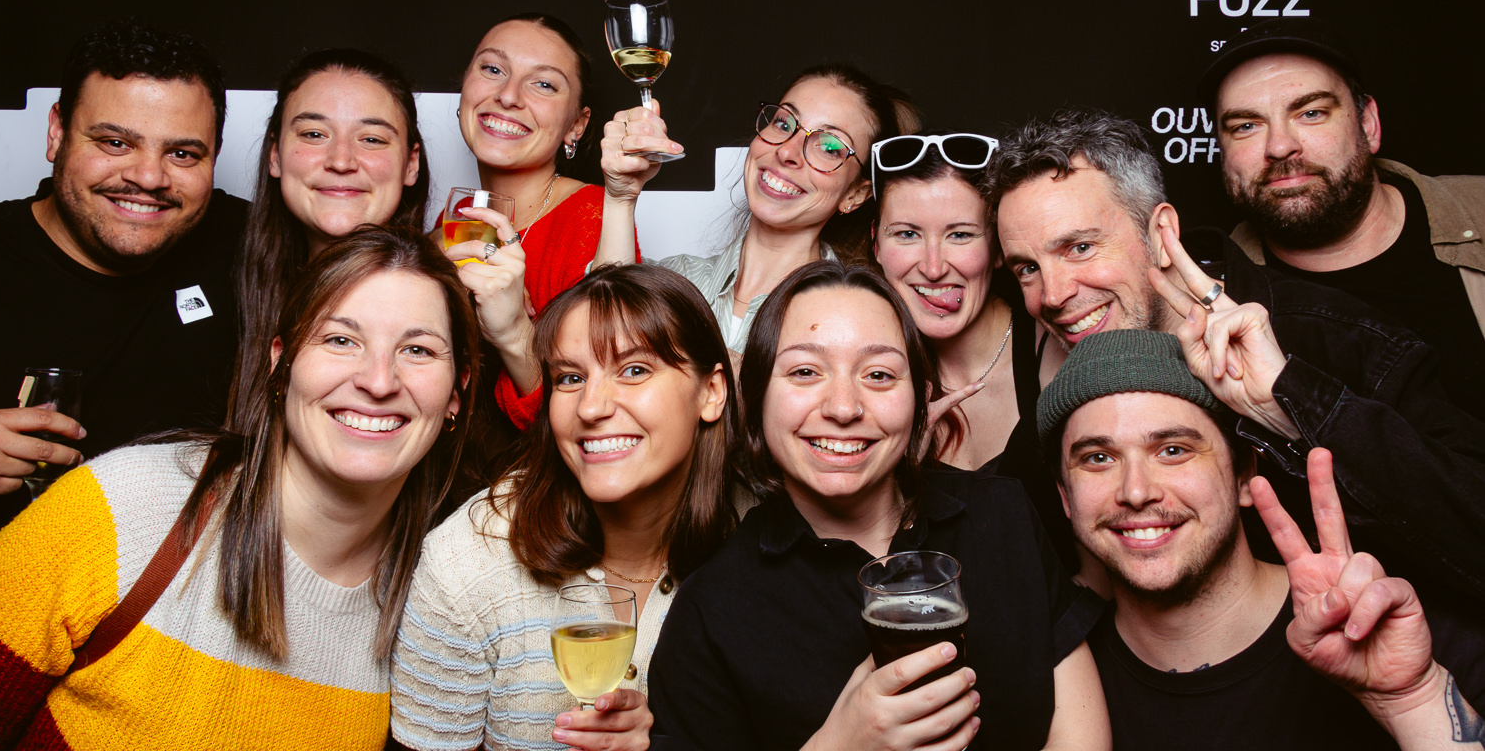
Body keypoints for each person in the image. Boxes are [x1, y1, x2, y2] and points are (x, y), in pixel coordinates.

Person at [991, 109, 1485, 700]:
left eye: (1079, 247)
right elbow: (1008, 552)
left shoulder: (1332, 339)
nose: (1051, 295)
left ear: (1160, 232)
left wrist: (1291, 402)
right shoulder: (1068, 393)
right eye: (1027, 268)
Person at [0, 226, 479, 749]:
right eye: (340, 340)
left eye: (418, 350)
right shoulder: (125, 507)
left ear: (457, 391)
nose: (379, 382)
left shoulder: (446, 603)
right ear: (281, 363)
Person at [649, 260, 1108, 751]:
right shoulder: (710, 609)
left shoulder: (1003, 514)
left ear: (920, 400)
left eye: (879, 374)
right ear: (757, 397)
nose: (844, 408)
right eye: (805, 372)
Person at [1041, 329, 1481, 750]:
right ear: (1065, 497)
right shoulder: (1058, 688)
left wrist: (1412, 701)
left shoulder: (1387, 625)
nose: (1136, 491)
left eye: (1173, 450)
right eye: (1098, 458)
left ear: (1244, 474)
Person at [388, 263, 739, 751]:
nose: (591, 407)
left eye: (634, 370)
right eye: (570, 378)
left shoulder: (760, 549)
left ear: (711, 392)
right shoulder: (468, 563)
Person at [0, 19, 247, 537]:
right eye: (115, 142)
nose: (148, 177)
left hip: (175, 581)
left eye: (182, 154)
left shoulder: (249, 244)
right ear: (57, 132)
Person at [1199, 18, 1485, 405]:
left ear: (1368, 125)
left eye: (1311, 113)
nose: (1280, 146)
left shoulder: (1478, 210)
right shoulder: (1207, 305)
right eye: (1246, 125)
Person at [868, 130, 1074, 567]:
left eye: (960, 235)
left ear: (997, 247)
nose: (933, 267)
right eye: (907, 234)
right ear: (876, 245)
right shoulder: (865, 375)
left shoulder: (1058, 351)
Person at [596, 63, 901, 358]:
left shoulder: (852, 316)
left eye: (829, 147)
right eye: (783, 123)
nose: (787, 151)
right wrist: (621, 197)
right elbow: (600, 343)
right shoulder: (675, 281)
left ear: (855, 194)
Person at [441, 14, 610, 431]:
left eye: (544, 84)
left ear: (576, 125)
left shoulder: (594, 218)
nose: (508, 95)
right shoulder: (448, 226)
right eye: (492, 69)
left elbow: (593, 419)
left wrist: (515, 331)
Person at [234, 47, 429, 398]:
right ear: (275, 155)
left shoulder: (449, 289)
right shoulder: (227, 276)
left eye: (371, 139)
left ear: (411, 163)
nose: (341, 161)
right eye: (314, 134)